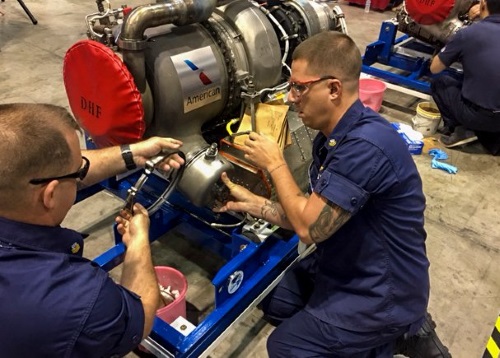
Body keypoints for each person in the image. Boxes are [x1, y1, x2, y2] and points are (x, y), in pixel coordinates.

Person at [215, 31, 450, 357]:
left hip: (381, 292)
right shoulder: (333, 139)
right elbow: (313, 214)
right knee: (276, 300)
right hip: (345, 258)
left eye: (299, 87)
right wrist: (257, 205)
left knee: (285, 347)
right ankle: (379, 337)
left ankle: (398, 332)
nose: (290, 98)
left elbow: (310, 229)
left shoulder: (364, 147)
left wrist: (275, 164)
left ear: (334, 89)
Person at [0, 103, 184, 357]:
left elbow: (53, 169)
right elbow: (139, 316)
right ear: (50, 196)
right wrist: (139, 241)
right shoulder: (75, 299)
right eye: (79, 172)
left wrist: (132, 153)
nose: (81, 174)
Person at [430, 0, 500, 153]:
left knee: (440, 82)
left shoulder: (469, 33)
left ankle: (461, 129)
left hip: (479, 116)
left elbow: (435, 68)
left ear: (482, 4)